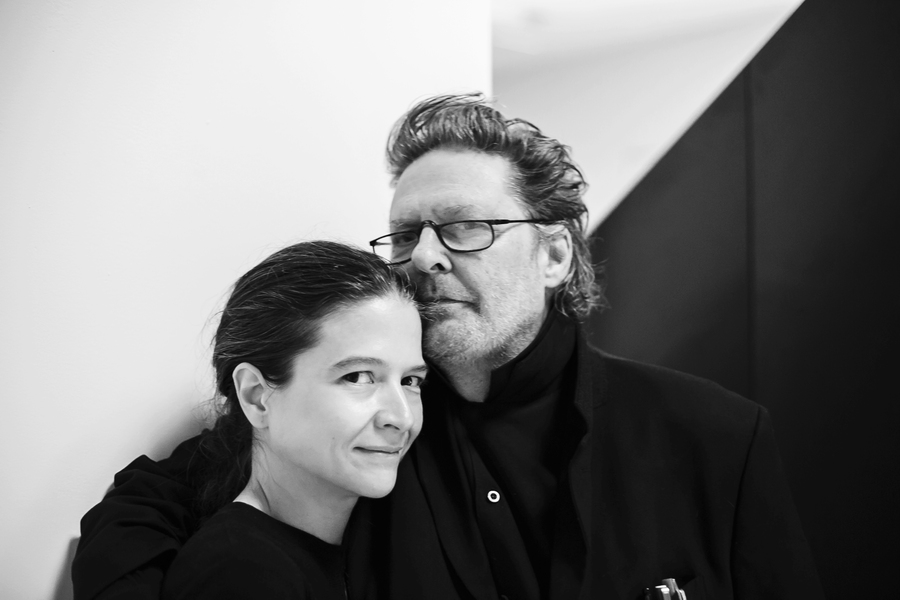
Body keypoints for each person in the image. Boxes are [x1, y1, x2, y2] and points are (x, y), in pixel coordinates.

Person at [73, 94, 823, 600]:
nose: (424, 256)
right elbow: (135, 511)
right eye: (407, 233)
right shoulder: (363, 436)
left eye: (466, 227)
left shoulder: (717, 437)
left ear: (555, 256)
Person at [114, 241, 426, 599]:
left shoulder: (366, 542)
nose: (402, 418)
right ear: (257, 397)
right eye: (357, 377)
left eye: (410, 381)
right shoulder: (240, 573)